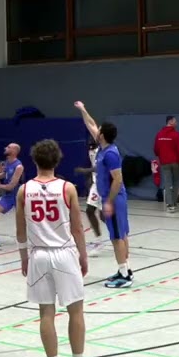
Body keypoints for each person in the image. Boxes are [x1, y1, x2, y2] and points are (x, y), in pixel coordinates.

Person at [15, 138, 106, 357]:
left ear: (34, 161)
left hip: (39, 255)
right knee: (75, 311)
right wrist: (83, 256)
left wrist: (24, 258)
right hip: (64, 254)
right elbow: (77, 227)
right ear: (58, 160)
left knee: (46, 312)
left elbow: (20, 230)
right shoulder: (67, 188)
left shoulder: (24, 190)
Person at [75, 101, 132, 288]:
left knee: (117, 237)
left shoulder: (110, 154)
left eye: (99, 130)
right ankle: (125, 268)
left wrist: (108, 201)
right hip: (112, 198)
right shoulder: (102, 147)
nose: (96, 130)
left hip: (114, 199)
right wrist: (83, 109)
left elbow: (118, 179)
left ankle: (124, 275)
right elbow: (90, 123)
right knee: (121, 235)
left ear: (102, 135)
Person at [154, 116, 179, 213]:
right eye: (175, 121)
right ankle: (174, 203)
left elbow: (156, 149)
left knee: (167, 183)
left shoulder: (159, 134)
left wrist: (161, 156)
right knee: (176, 182)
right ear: (170, 121)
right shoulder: (176, 135)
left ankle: (169, 204)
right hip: (175, 162)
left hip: (164, 162)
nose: (177, 123)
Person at [72, 137, 103, 238]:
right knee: (90, 211)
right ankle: (99, 239)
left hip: (104, 184)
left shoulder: (102, 150)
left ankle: (119, 234)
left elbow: (99, 168)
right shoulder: (91, 150)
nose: (90, 141)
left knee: (103, 216)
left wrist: (84, 171)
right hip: (96, 183)